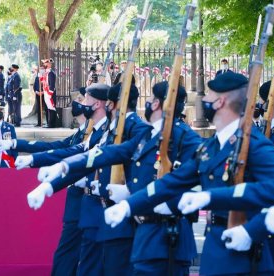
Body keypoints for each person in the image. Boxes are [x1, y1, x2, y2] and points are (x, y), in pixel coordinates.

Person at [104, 72, 274, 275]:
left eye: (208, 95)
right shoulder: (211, 147)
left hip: (246, 256)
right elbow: (173, 182)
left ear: (221, 102)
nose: (204, 100)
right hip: (214, 252)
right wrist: (129, 205)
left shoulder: (254, 145)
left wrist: (251, 231)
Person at [36, 81, 201, 275]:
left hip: (171, 237)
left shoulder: (184, 138)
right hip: (145, 235)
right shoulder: (148, 135)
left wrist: (137, 195)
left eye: (150, 99)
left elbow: (193, 181)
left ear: (156, 104)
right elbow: (109, 153)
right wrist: (64, 166)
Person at [0, 88, 88, 276]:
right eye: (76, 99)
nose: (77, 103)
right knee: (67, 255)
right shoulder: (81, 133)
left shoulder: (93, 133)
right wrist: (17, 144)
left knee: (79, 255)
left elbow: (67, 154)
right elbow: (53, 147)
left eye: (81, 99)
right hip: (76, 200)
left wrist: (33, 160)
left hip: (87, 200)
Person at [0, 100, 17, 168]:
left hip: (6, 163)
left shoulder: (10, 127)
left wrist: (15, 162)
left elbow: (14, 147)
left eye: (1, 109)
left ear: (4, 112)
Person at [41, 59, 57, 128]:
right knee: (48, 108)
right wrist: (40, 77)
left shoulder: (51, 73)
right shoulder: (46, 73)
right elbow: (44, 81)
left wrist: (50, 94)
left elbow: (52, 85)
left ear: (48, 64)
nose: (44, 64)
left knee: (51, 108)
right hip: (46, 92)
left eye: (45, 63)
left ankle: (51, 124)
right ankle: (48, 122)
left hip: (49, 93)